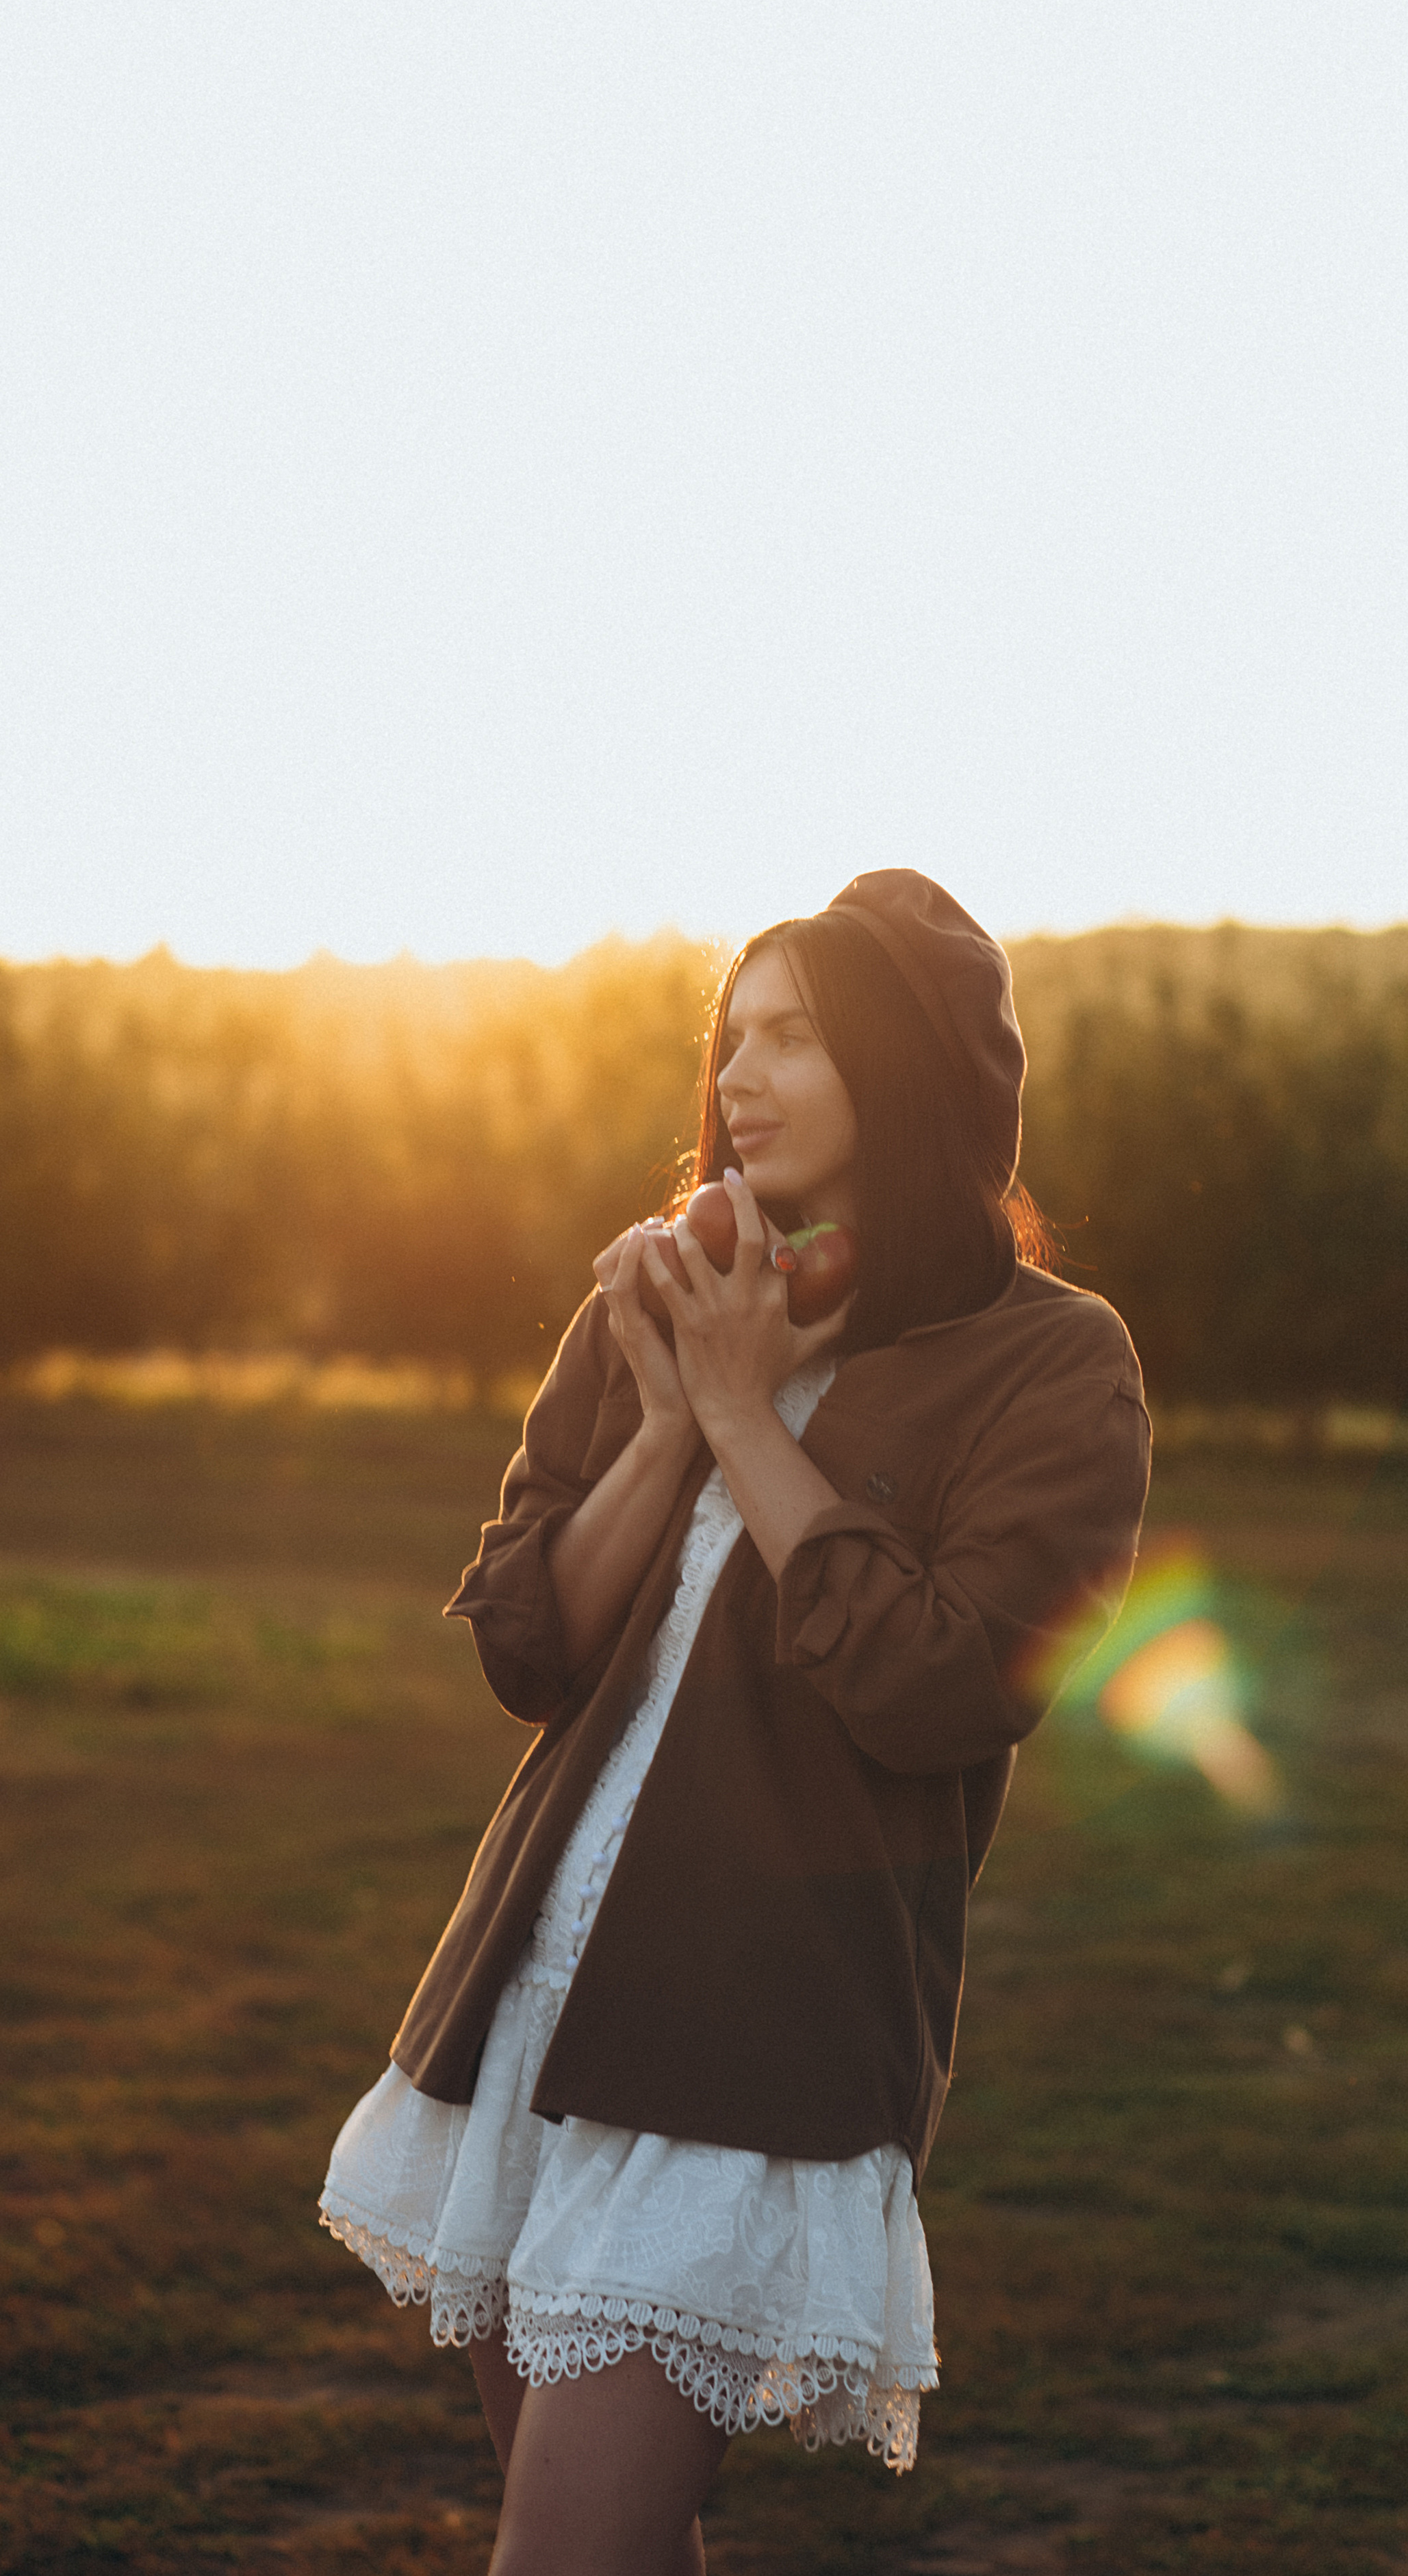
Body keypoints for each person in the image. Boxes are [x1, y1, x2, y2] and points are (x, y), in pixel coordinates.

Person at [318, 869, 1152, 2576]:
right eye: (735, 1033)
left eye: (795, 1037)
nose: (738, 1075)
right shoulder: (660, 1290)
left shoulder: (1052, 1365)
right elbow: (526, 1642)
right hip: (529, 2004)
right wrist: (674, 1418)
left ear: (904, 1077)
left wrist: (745, 1415)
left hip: (752, 2044)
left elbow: (938, 1688)